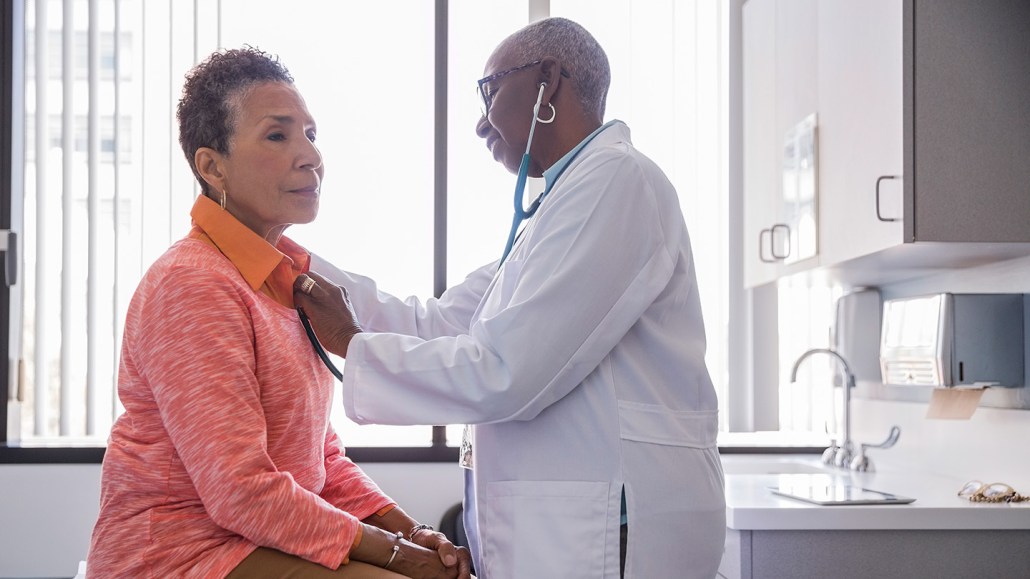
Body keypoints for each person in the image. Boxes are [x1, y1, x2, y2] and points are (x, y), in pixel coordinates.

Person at [294, 17, 726, 579]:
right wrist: (290, 262)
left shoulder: (617, 181)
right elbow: (435, 323)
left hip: (613, 530)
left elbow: (508, 370)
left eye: (490, 92)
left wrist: (351, 341)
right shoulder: (557, 212)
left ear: (548, 80)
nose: (480, 124)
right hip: (569, 529)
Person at [86, 47, 471, 579]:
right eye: (277, 136)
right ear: (212, 166)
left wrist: (414, 532)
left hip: (259, 540)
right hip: (180, 555)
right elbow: (240, 491)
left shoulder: (288, 278)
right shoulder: (192, 283)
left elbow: (320, 457)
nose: (310, 155)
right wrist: (397, 555)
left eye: (310, 134)